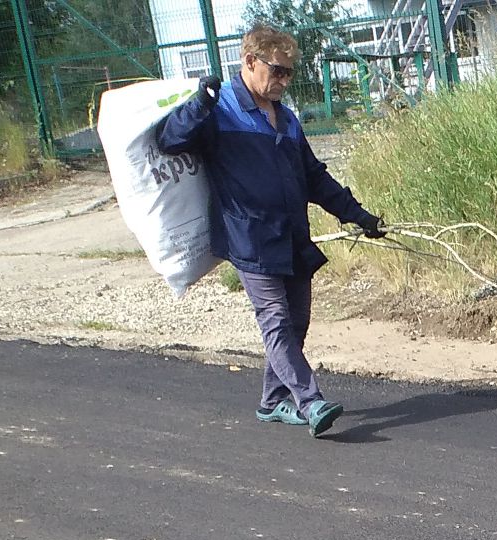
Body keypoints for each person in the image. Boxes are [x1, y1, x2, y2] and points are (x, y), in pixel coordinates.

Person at [156, 25, 385, 436]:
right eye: (277, 71)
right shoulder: (219, 110)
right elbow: (170, 140)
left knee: (297, 322)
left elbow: (314, 177)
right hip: (249, 238)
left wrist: (358, 215)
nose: (283, 80)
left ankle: (271, 401)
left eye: (289, 73)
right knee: (276, 321)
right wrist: (198, 104)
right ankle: (310, 402)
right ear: (250, 61)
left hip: (292, 235)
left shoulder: (288, 119)